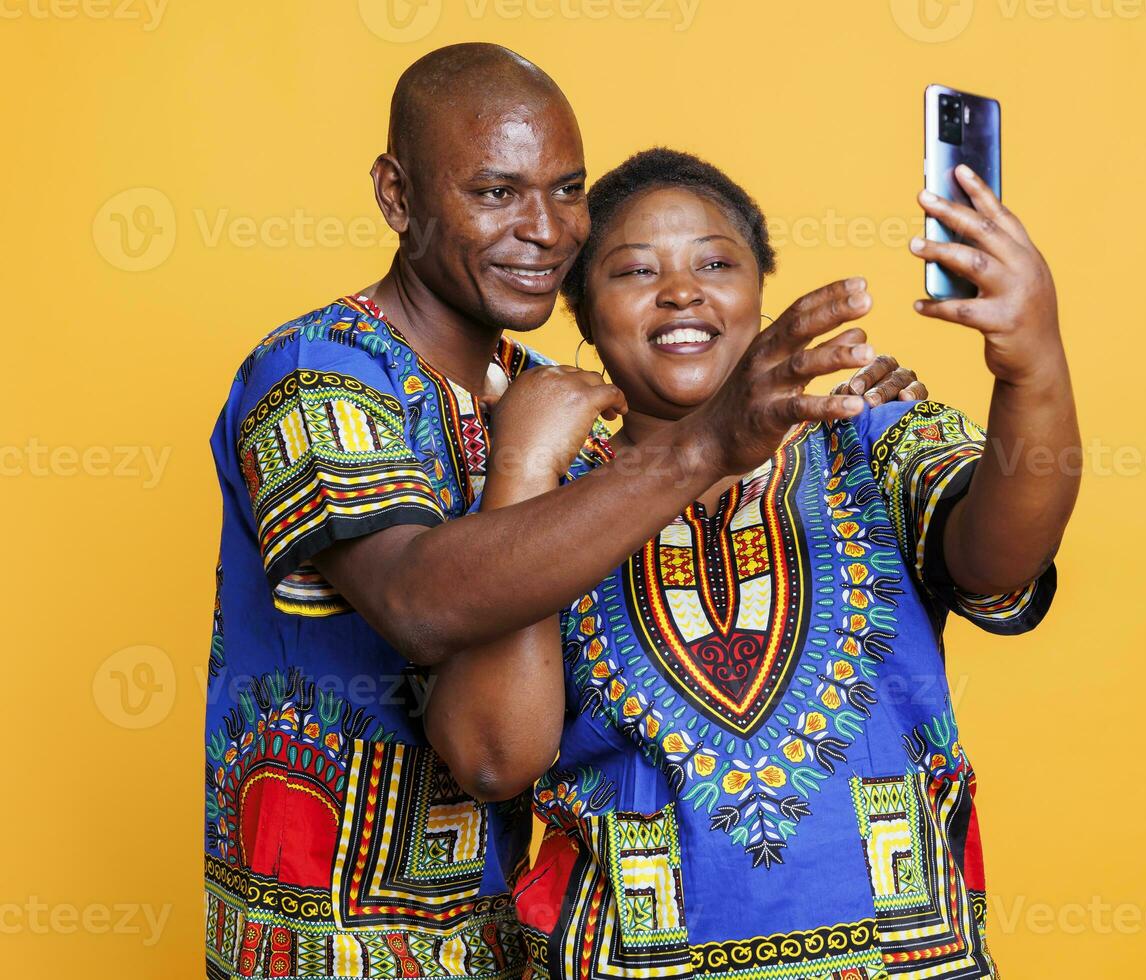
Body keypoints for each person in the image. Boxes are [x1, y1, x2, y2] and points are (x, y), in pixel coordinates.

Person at [203, 45, 924, 980]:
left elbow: (673, 516)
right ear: (396, 195)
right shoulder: (315, 376)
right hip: (335, 939)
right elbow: (421, 602)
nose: (544, 230)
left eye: (568, 190)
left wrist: (838, 418)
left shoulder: (563, 396)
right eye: (496, 193)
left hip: (535, 936)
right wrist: (687, 444)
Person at [429, 148, 1080, 980]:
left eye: (715, 263)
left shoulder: (868, 440)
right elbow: (492, 757)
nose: (681, 291)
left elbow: (1001, 559)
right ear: (582, 315)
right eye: (635, 271)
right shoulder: (549, 490)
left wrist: (1032, 366)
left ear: (758, 290)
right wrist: (522, 475)